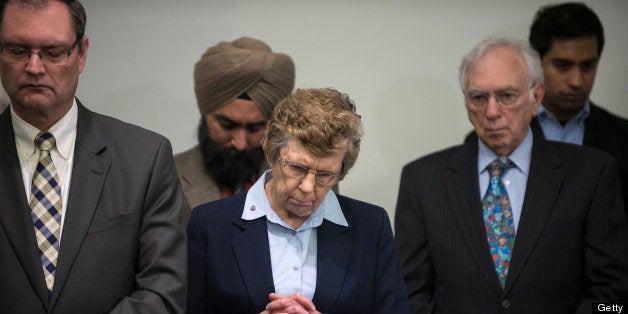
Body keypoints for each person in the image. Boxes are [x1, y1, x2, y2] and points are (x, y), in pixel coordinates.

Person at [395, 37, 628, 314]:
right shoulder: (422, 180)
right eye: (479, 98)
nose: (491, 112)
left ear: (536, 97)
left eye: (506, 96)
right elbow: (409, 293)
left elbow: (613, 295)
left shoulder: (591, 172)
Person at [0, 0, 186, 313]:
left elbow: (164, 290)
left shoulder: (144, 159)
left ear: (82, 52)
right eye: (18, 50)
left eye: (53, 51)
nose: (34, 67)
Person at [187, 88, 410, 313]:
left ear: (341, 171)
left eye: (324, 175)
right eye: (297, 168)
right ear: (272, 155)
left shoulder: (370, 226)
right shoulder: (209, 224)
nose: (307, 187)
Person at [174, 36, 295, 221]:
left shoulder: (304, 179)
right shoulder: (167, 176)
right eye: (227, 125)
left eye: (255, 128)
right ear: (206, 114)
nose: (240, 143)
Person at [529, 2, 628, 216]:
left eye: (587, 66)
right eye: (563, 65)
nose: (577, 81)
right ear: (537, 63)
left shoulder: (623, 138)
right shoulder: (499, 135)